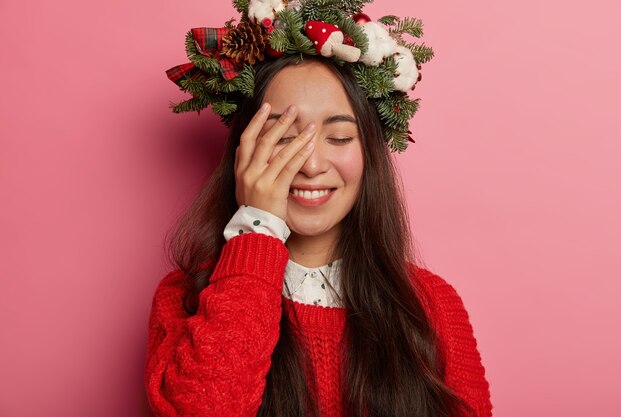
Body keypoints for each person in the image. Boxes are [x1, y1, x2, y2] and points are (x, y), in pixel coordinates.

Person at [145, 2, 492, 417]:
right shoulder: (185, 298)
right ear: (244, 153)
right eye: (283, 137)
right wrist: (259, 229)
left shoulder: (431, 305)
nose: (310, 165)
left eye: (340, 138)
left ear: (370, 157)